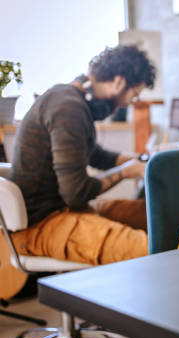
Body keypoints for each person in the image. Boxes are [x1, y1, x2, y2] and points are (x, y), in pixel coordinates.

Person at [9, 45, 156, 265]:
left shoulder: (69, 99)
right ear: (118, 82)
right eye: (133, 95)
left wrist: (141, 159)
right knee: (153, 249)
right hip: (41, 224)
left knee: (155, 214)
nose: (128, 104)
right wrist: (126, 172)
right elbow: (76, 193)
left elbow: (93, 155)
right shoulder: (68, 108)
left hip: (66, 211)